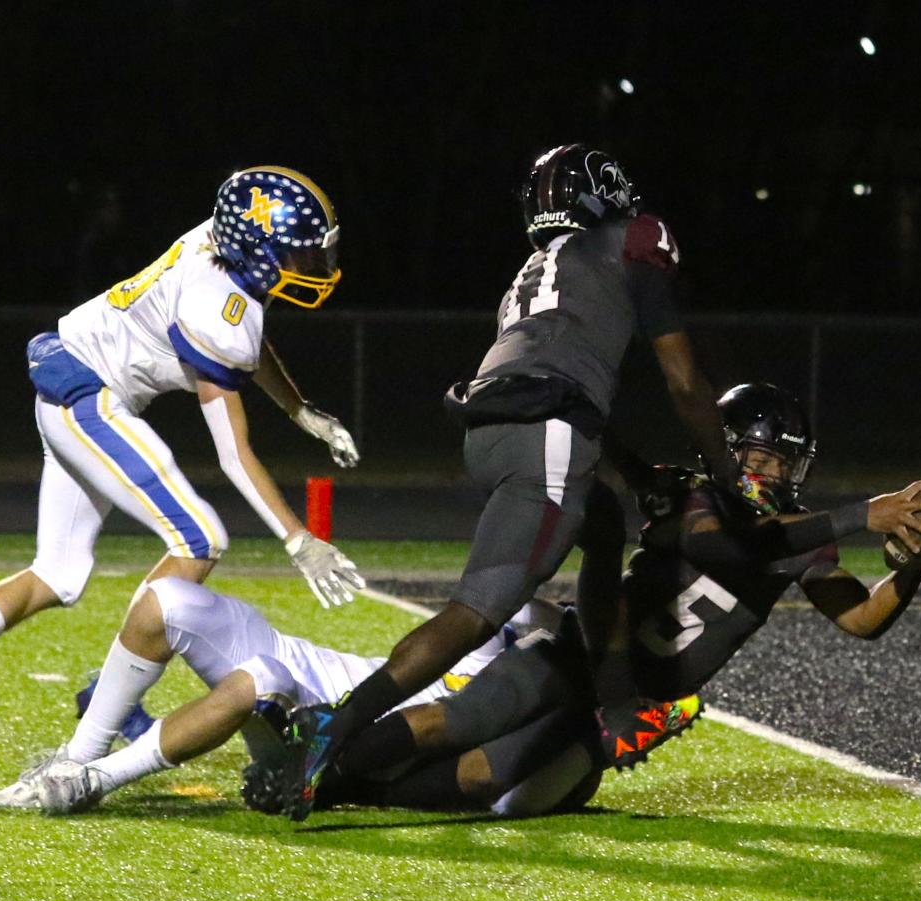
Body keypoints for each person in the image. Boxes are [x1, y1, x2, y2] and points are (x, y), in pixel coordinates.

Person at [275, 144, 741, 819]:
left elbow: (566, 394)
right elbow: (685, 385)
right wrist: (725, 474)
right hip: (543, 431)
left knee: (604, 520)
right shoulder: (632, 241)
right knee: (477, 612)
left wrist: (638, 476)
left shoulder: (533, 271)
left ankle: (614, 703)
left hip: (492, 429)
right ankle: (340, 726)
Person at [0, 166, 365, 769]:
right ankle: (102, 710)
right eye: (301, 254)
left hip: (76, 379)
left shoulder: (223, 250)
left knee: (59, 573)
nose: (315, 267)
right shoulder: (217, 306)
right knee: (201, 537)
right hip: (85, 393)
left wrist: (302, 412)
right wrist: (299, 540)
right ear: (259, 250)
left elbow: (250, 336)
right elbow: (233, 453)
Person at [300, 383, 921, 816]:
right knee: (457, 720)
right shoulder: (696, 497)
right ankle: (318, 768)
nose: (769, 473)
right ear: (728, 455)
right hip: (581, 657)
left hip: (622, 712)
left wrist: (916, 566)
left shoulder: (799, 537)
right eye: (757, 459)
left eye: (781, 463)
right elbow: (719, 549)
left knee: (483, 782)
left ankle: (358, 788)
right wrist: (860, 515)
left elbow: (862, 618)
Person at [0, 577, 532, 812]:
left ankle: (91, 782)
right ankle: (74, 760)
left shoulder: (541, 692)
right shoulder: (530, 619)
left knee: (262, 676)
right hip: (319, 665)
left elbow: (494, 780)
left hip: (320, 730)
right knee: (167, 602)